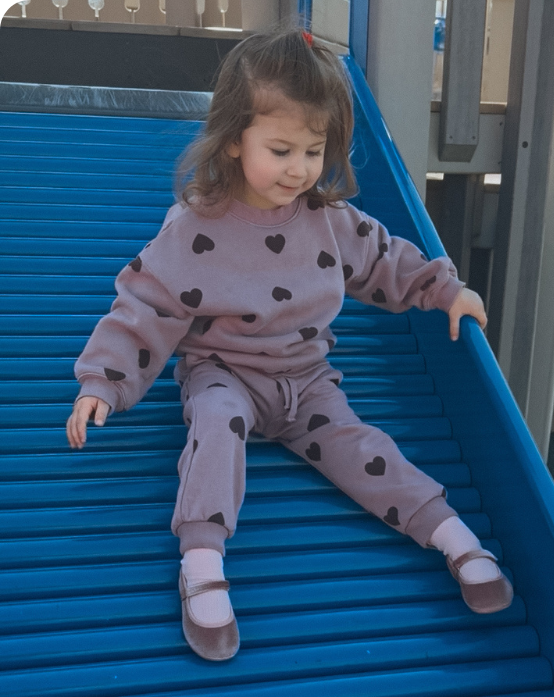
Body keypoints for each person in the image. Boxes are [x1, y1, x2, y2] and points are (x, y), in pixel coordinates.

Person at [66, 28, 513, 662]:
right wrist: (102, 382)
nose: (299, 168)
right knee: (216, 425)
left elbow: (389, 261)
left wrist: (447, 290)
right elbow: (146, 305)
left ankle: (451, 536)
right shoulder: (196, 228)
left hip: (305, 379)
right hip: (224, 371)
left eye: (313, 149)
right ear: (232, 141)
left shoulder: (329, 220)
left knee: (361, 445)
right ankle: (201, 561)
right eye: (280, 149)